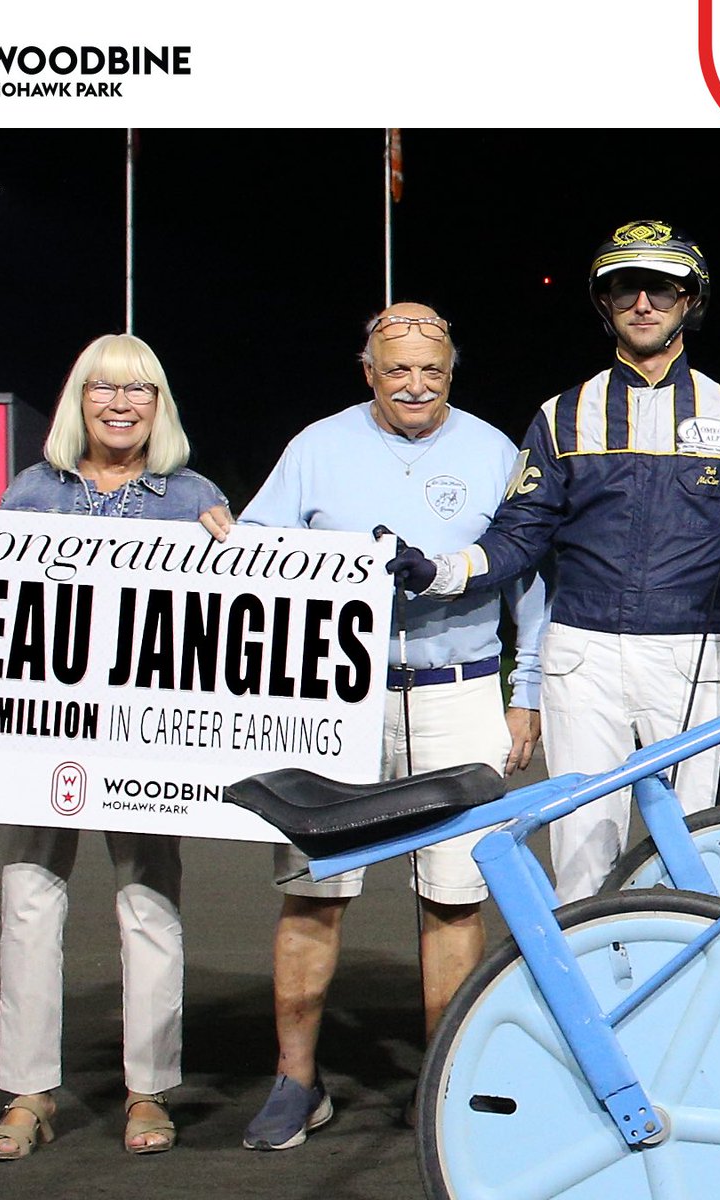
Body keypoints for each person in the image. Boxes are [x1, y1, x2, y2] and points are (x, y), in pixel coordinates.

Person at [201, 302, 547, 1149]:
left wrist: (526, 689)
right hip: (334, 699)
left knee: (454, 897)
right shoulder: (317, 447)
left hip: (457, 690)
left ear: (452, 372)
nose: (416, 385)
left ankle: (444, 1081)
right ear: (369, 373)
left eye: (431, 369)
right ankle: (295, 1082)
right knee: (314, 892)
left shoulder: (495, 448)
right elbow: (253, 558)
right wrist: (221, 536)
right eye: (397, 369)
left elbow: (530, 578)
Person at [386, 219, 720, 904]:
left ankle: (710, 1002)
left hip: (696, 650)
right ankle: (591, 1003)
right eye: (625, 288)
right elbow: (517, 535)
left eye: (663, 288)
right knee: (583, 857)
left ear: (690, 300)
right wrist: (440, 571)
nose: (644, 302)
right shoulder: (560, 415)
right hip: (582, 658)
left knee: (710, 847)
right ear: (604, 303)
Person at [0, 333, 230, 1159]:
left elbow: (229, 619)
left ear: (160, 405)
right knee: (27, 899)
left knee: (150, 906)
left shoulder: (191, 495)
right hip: (38, 738)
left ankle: (148, 1092)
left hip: (144, 742)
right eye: (103, 388)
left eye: (139, 390)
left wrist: (242, 558)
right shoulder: (30, 490)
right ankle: (27, 1095)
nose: (121, 404)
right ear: (78, 400)